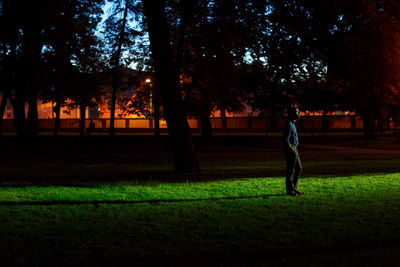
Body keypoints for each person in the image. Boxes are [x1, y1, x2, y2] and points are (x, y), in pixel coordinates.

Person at [283, 106, 304, 196]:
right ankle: (290, 190)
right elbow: (285, 140)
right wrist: (292, 150)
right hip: (291, 149)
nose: (299, 113)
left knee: (298, 168)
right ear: (291, 113)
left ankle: (294, 188)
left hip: (294, 148)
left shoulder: (293, 123)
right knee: (290, 171)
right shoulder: (288, 124)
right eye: (297, 112)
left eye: (298, 111)